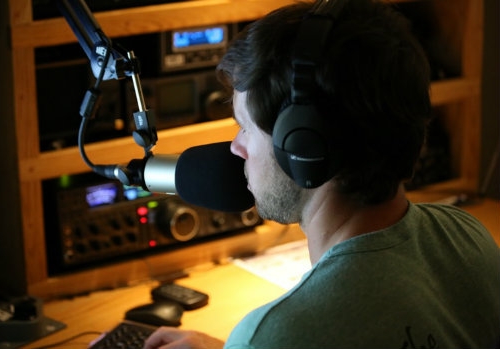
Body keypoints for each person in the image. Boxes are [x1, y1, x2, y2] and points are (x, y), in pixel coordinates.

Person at [144, 0, 500, 347]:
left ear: (304, 146)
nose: (236, 147)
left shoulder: (276, 333)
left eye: (245, 128)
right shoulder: (467, 236)